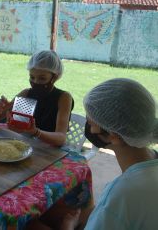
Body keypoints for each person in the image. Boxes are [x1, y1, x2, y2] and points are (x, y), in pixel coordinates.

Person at [60, 78, 158, 230]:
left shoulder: (121, 196)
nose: (89, 130)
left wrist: (67, 226)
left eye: (90, 123)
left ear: (114, 136)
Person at [0, 50, 74, 146]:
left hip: (50, 150)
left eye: (42, 78)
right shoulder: (26, 94)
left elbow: (60, 138)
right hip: (27, 146)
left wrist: (36, 132)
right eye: (32, 77)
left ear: (54, 77)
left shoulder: (63, 98)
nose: (36, 82)